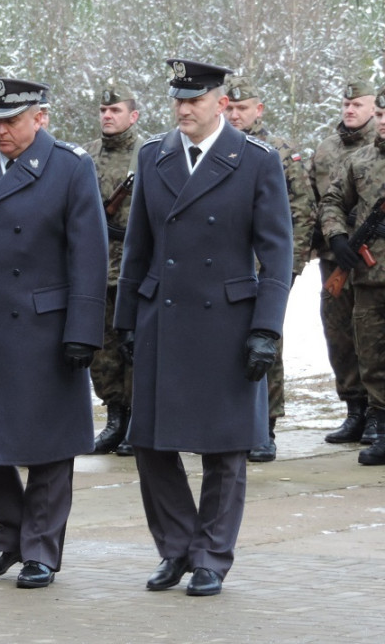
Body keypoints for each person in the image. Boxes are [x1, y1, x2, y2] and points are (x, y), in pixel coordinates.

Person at [114, 59, 292, 597]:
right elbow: (137, 247)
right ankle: (177, 547)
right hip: (162, 316)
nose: (184, 109)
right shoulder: (154, 156)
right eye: (178, 100)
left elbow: (277, 253)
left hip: (228, 320)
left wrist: (267, 328)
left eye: (195, 100)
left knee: (225, 449)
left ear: (221, 102)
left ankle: (212, 555)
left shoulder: (256, 160)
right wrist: (125, 318)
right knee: (148, 443)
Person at [0, 77, 108, 590]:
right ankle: (10, 533)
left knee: (49, 448)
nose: (0, 130)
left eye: (11, 120)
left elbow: (90, 256)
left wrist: (83, 329)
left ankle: (41, 549)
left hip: (45, 329)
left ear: (41, 117)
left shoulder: (71, 167)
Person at [225, 76, 317, 462]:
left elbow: (301, 211)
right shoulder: (216, 150)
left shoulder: (278, 152)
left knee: (267, 344)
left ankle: (266, 426)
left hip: (268, 269)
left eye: (242, 109)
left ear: (258, 110)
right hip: (228, 267)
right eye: (229, 108)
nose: (234, 115)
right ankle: (229, 422)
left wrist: (288, 268)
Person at [318, 85, 385, 466]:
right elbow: (331, 202)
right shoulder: (358, 161)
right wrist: (338, 237)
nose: (384, 122)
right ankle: (379, 426)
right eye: (381, 115)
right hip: (369, 279)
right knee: (371, 356)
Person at [83, 80, 142, 456]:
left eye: (115, 110)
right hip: (94, 267)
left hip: (131, 270)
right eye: (104, 110)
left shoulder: (148, 155)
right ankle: (115, 417)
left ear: (133, 116)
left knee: (134, 348)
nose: (108, 115)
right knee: (101, 351)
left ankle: (138, 421)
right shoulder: (85, 156)